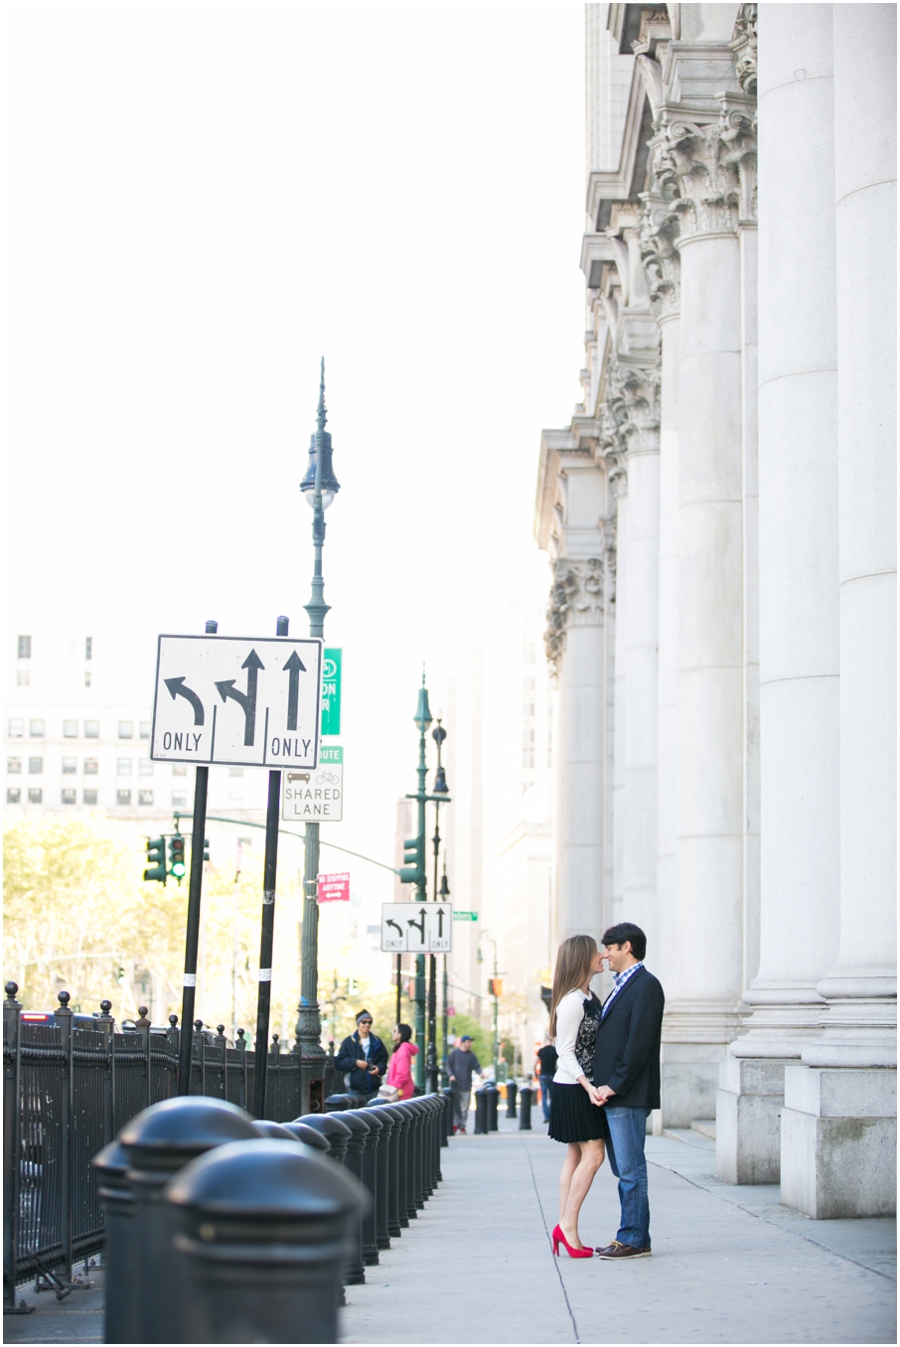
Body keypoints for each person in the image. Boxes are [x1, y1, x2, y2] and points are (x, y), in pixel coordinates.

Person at [591, 921, 665, 1260]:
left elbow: (639, 1044)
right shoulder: (621, 986)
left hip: (627, 1094)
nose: (605, 955)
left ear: (627, 948)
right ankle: (635, 1235)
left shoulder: (646, 986)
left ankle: (633, 1238)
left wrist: (614, 1085)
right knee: (624, 1170)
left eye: (610, 948)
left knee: (631, 1170)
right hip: (613, 1094)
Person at [547, 934, 607, 1258]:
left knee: (575, 1156)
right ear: (582, 959)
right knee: (594, 1154)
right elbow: (565, 1052)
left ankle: (564, 1226)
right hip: (574, 1087)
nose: (602, 955)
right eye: (595, 952)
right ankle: (567, 1226)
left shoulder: (588, 996)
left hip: (578, 1085)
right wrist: (588, 1086)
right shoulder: (571, 1001)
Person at [334, 1009, 388, 1099]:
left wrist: (378, 1069)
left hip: (374, 1090)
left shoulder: (377, 1041)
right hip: (354, 1091)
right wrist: (356, 1062)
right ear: (358, 1023)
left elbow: (383, 1060)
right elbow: (339, 1062)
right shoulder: (348, 1042)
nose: (367, 1025)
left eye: (370, 1022)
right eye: (364, 1022)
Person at [446, 1035, 482, 1133]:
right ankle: (455, 1124)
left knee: (465, 1107)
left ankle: (461, 1125)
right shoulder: (454, 1054)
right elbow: (448, 1066)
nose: (470, 1044)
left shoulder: (471, 1056)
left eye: (470, 1042)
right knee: (455, 1106)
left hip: (466, 1084)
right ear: (462, 1043)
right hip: (455, 1085)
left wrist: (481, 1073)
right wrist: (451, 1075)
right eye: (468, 1042)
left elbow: (477, 1066)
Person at [385, 1022, 418, 1099]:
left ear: (400, 1035)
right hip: (398, 1092)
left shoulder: (403, 1050)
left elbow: (402, 1075)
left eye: (395, 1031)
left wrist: (393, 1088)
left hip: (400, 1094)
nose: (393, 1033)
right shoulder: (399, 1049)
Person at [535, 1037, 558, 1123]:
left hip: (543, 1075)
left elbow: (535, 1063)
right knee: (552, 1096)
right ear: (551, 1041)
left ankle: (546, 1116)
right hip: (552, 1075)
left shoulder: (541, 1051)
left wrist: (536, 1074)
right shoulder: (554, 1050)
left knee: (544, 1096)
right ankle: (550, 1114)